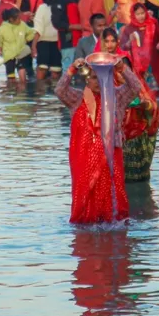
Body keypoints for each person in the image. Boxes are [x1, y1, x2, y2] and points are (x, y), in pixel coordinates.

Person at [57, 56, 142, 224]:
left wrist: (122, 68)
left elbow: (136, 87)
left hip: (112, 154)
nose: (99, 82)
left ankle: (113, 223)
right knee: (86, 197)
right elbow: (59, 90)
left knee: (114, 192)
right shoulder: (77, 98)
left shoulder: (117, 96)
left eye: (104, 78)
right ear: (87, 79)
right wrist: (72, 69)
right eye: (95, 78)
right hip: (85, 158)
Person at [0, 7, 39, 88]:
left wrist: (27, 39)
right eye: (18, 18)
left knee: (23, 79)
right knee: (11, 78)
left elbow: (31, 32)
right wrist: (0, 53)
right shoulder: (2, 29)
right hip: (8, 56)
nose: (20, 20)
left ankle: (22, 92)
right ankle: (11, 91)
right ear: (11, 19)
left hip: (21, 53)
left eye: (20, 17)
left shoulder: (22, 25)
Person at [50, 0, 82, 72]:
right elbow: (56, 22)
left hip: (79, 39)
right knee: (68, 69)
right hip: (68, 40)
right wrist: (75, 26)